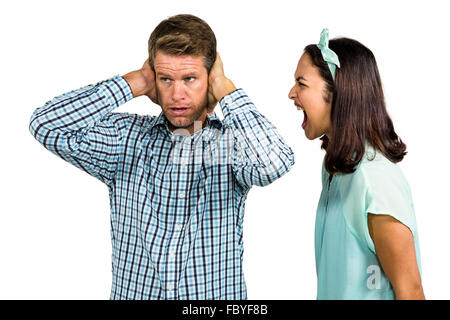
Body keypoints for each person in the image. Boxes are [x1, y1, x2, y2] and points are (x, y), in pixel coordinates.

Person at [29, 14, 295, 300]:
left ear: (210, 78)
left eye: (190, 78)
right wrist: (135, 81)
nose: (176, 94)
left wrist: (226, 90)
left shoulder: (231, 143)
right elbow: (46, 124)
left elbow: (274, 163)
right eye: (165, 79)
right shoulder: (126, 139)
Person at [288, 29, 424, 300]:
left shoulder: (375, 180)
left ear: (338, 93)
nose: (291, 93)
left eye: (301, 84)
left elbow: (410, 290)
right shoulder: (335, 169)